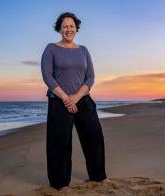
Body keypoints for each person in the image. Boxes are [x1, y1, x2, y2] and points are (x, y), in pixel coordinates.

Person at [40, 12, 109, 191]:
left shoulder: (84, 50)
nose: (68, 29)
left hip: (83, 99)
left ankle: (98, 176)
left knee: (94, 137)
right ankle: (60, 183)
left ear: (76, 28)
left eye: (71, 26)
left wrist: (77, 97)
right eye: (65, 26)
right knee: (60, 142)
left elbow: (90, 77)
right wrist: (65, 98)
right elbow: (47, 77)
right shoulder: (51, 49)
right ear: (59, 29)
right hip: (58, 101)